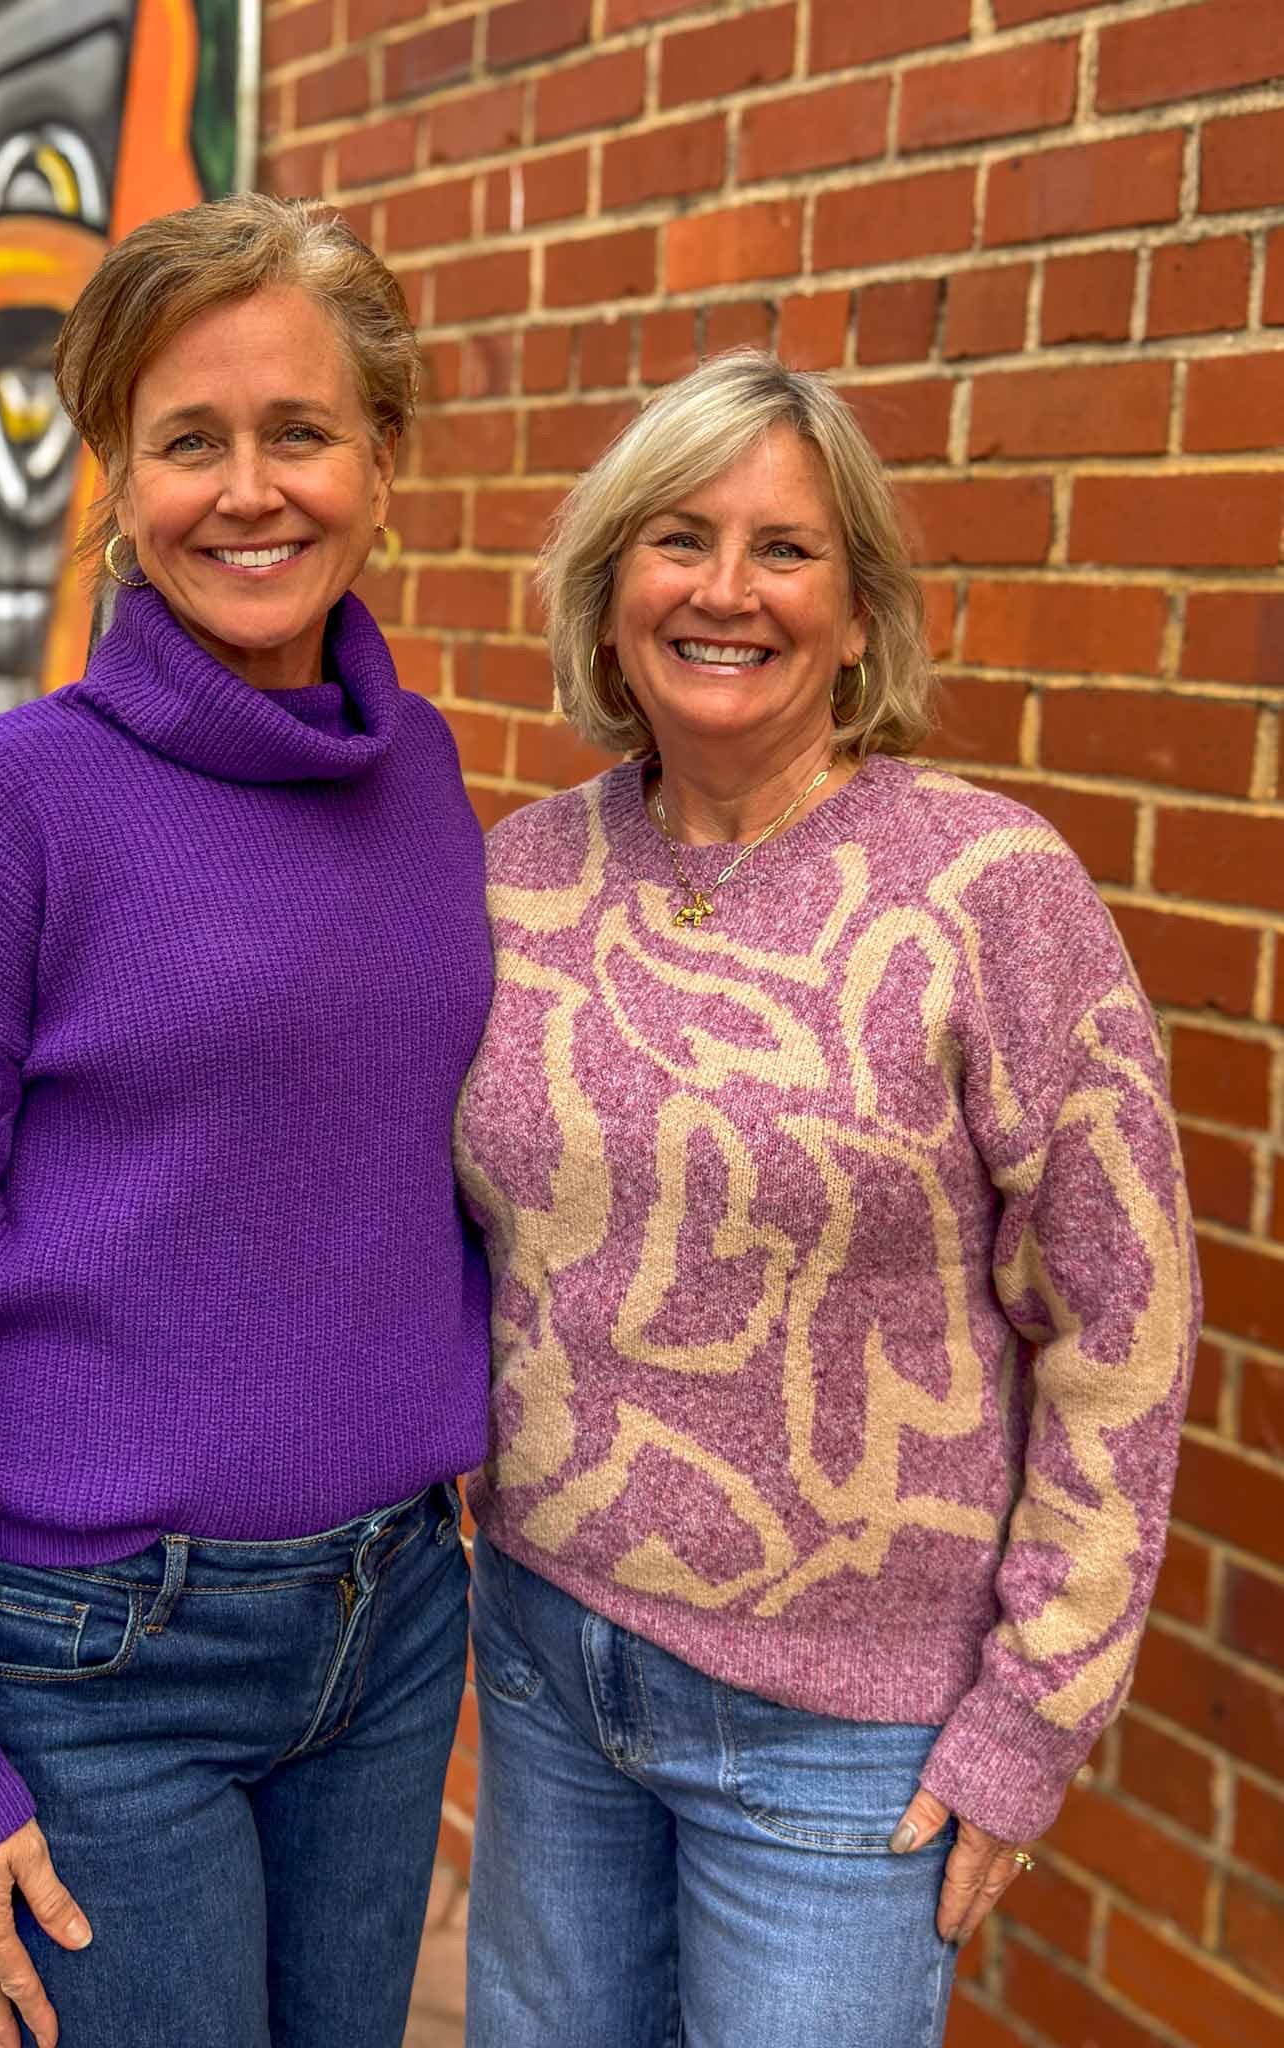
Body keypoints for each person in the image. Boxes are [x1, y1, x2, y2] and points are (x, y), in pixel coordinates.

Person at [0, 195, 491, 2048]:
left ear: (380, 461)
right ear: (116, 474)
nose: (248, 491)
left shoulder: (421, 777)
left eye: (299, 431)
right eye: (188, 440)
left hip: (392, 1625)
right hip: (98, 1666)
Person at [452, 349, 1199, 2048]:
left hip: (847, 1735)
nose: (724, 591)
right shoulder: (515, 881)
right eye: (676, 539)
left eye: (783, 549)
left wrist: (1033, 1715)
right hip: (551, 1660)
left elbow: (1120, 1321)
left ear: (858, 616)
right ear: (609, 592)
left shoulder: (989, 894)